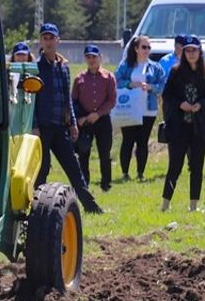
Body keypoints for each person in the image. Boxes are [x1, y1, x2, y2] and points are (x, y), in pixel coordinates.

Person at [32, 22, 104, 214]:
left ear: (58, 40)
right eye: (44, 38)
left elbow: (67, 99)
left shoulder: (63, 67)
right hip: (43, 127)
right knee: (42, 168)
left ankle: (90, 205)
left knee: (73, 167)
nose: (48, 42)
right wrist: (34, 126)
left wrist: (72, 123)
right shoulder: (36, 67)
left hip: (60, 126)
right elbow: (31, 100)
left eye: (51, 38)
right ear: (41, 41)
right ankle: (37, 208)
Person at [160, 35, 205, 212]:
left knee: (197, 166)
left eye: (194, 50)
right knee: (175, 166)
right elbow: (167, 95)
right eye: (188, 50)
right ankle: (165, 204)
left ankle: (193, 206)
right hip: (179, 127)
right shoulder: (176, 71)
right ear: (183, 52)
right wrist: (181, 104)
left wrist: (201, 104)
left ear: (200, 51)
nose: (191, 53)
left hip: (200, 127)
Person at [115, 35, 165, 182]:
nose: (147, 50)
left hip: (148, 109)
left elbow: (162, 85)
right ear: (136, 49)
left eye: (149, 47)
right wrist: (130, 84)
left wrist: (151, 87)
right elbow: (116, 80)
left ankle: (140, 173)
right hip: (129, 108)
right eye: (144, 47)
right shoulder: (126, 65)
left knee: (143, 141)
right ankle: (125, 173)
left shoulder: (155, 67)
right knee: (128, 140)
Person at [73, 45, 116, 192]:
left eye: (94, 57)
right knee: (83, 152)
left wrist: (98, 114)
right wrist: (79, 118)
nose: (91, 60)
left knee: (105, 153)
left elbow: (111, 100)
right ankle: (84, 184)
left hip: (102, 119)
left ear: (100, 58)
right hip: (85, 120)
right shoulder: (79, 78)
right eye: (88, 57)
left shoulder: (108, 77)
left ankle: (106, 184)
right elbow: (73, 101)